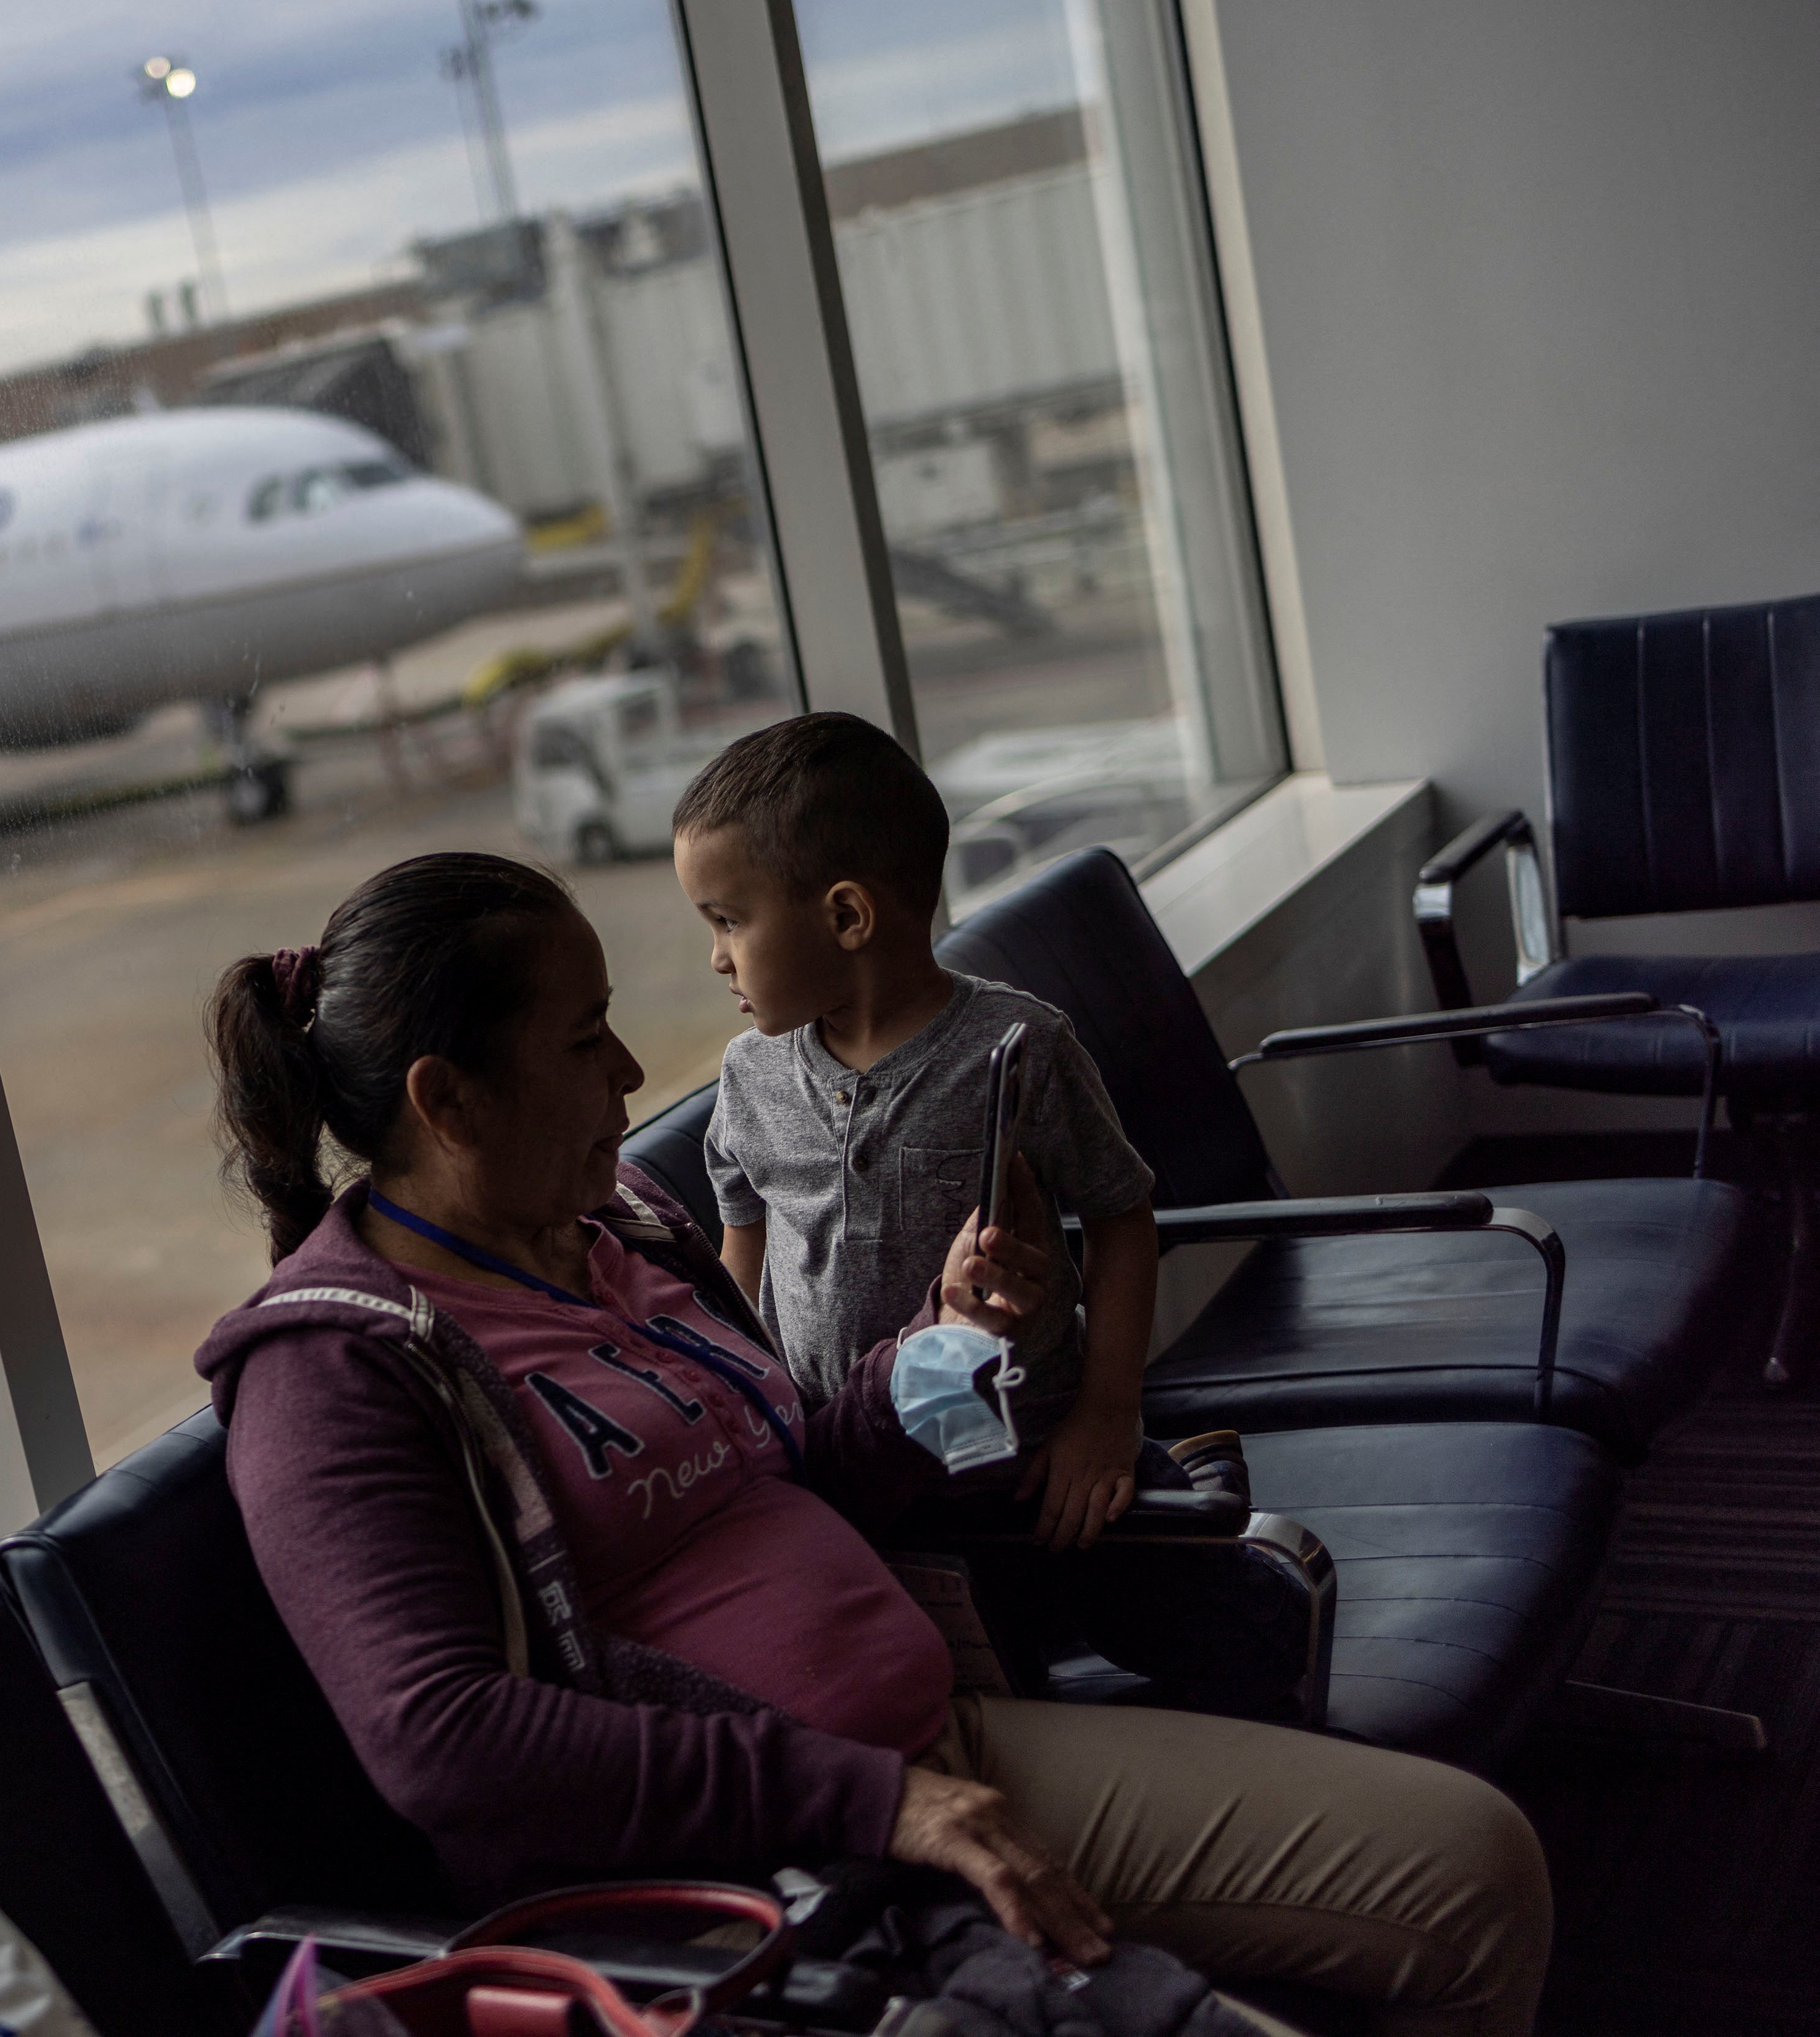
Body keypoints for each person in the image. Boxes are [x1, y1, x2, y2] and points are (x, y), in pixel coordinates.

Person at [197, 852, 1550, 2037]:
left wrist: (950, 1343)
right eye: (583, 1037)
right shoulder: (337, 1369)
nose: (623, 1074)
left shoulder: (622, 1235)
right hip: (767, 1864)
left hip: (931, 1744)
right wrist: (876, 1805)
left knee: (1477, 1870)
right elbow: (446, 1742)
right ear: (450, 1100)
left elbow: (800, 1478)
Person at [672, 713, 1159, 1550]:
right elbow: (741, 1258)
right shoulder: (749, 1076)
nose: (716, 957)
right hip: (842, 1469)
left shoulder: (1021, 1047)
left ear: (848, 917)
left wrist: (1109, 1415)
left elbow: (1123, 1222)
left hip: (1024, 1464)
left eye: (728, 921)